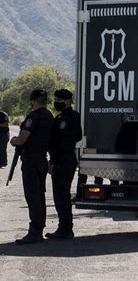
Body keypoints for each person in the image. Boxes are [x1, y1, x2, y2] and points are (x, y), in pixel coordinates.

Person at [10, 89, 54, 244]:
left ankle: (34, 232)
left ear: (34, 101)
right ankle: (39, 229)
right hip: (42, 159)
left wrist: (14, 140)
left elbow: (22, 139)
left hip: (31, 161)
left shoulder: (33, 117)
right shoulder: (49, 116)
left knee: (33, 197)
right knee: (40, 196)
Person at [46, 89, 82, 240]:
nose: (56, 102)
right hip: (68, 160)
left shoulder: (65, 118)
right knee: (63, 195)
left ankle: (65, 229)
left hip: (62, 161)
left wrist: (53, 162)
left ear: (67, 101)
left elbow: (59, 143)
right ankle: (65, 227)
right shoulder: (72, 116)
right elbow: (77, 136)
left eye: (59, 100)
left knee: (61, 196)